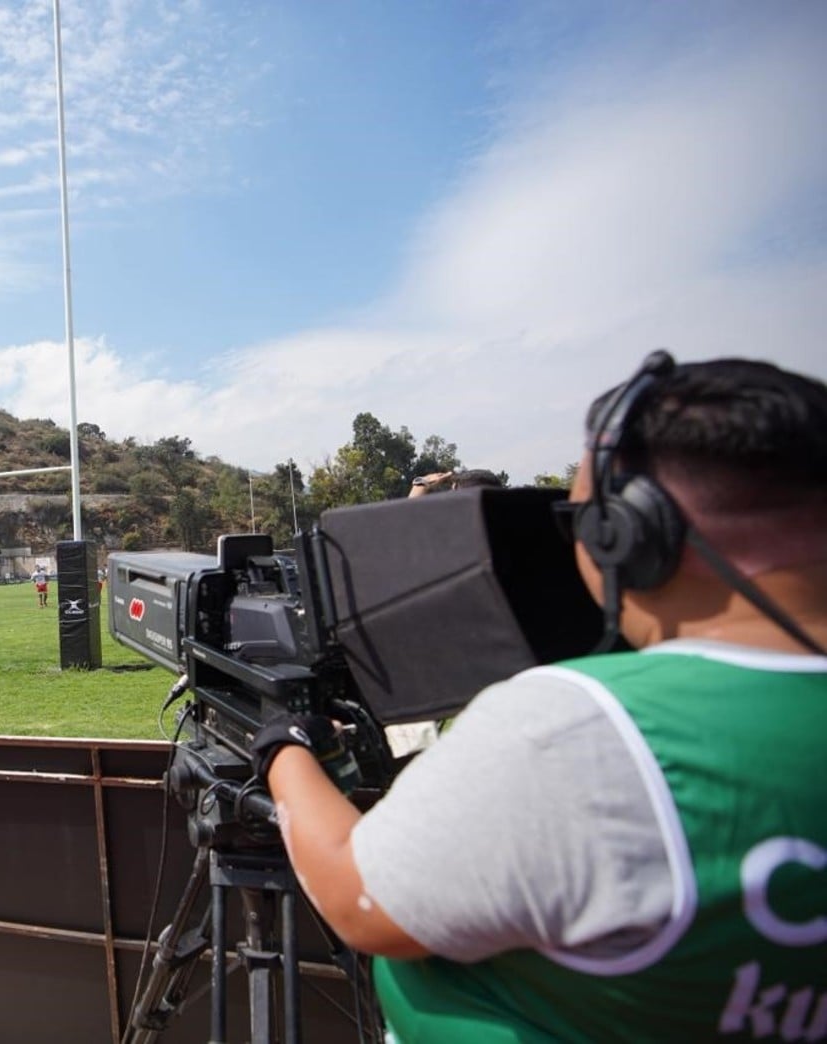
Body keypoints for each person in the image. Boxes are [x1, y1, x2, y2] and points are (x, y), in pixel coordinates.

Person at [251, 355, 827, 1042]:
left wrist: (283, 753)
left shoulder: (580, 726)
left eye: (577, 523)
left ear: (631, 535)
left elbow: (357, 899)